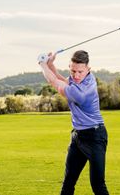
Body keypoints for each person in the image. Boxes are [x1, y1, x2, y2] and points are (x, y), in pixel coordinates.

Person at [38, 50, 109, 195]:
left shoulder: (82, 93)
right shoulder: (82, 79)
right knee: (68, 182)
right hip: (77, 137)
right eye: (73, 71)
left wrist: (42, 63)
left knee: (97, 185)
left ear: (88, 69)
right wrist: (51, 64)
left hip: (95, 137)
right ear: (70, 67)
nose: (76, 76)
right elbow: (62, 80)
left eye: (80, 72)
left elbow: (54, 82)